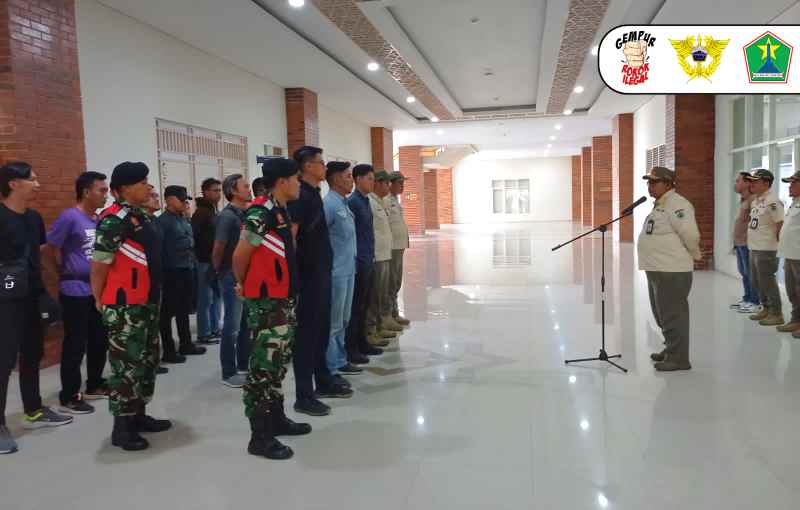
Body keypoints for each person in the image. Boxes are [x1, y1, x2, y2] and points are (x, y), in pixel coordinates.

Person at [233, 157, 310, 460]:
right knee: (263, 368)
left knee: (277, 363)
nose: (299, 184)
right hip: (267, 303)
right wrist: (243, 283)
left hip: (282, 299)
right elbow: (241, 255)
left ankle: (276, 419)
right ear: (282, 181)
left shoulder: (279, 210)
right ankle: (260, 436)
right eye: (296, 179)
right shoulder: (261, 212)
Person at [91, 162, 171, 451]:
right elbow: (99, 264)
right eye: (142, 182)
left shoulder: (141, 217)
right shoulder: (113, 221)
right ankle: (122, 428)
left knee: (147, 360)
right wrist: (98, 297)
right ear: (123, 189)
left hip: (146, 302)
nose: (149, 186)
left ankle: (139, 415)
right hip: (124, 306)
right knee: (126, 366)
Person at [0, 162, 73, 454]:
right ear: (13, 183)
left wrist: (44, 293)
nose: (38, 184)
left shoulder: (33, 218)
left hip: (31, 296)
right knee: (3, 362)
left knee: (33, 354)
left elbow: (36, 257)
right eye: (32, 179)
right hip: (4, 301)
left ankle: (34, 410)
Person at [289, 146, 352, 416]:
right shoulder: (300, 196)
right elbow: (291, 239)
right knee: (306, 336)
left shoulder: (313, 194)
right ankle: (304, 395)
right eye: (319, 162)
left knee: (322, 329)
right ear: (306, 166)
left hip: (322, 273)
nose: (324, 166)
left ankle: (323, 379)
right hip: (308, 277)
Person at [41, 171, 110, 416]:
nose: (106, 194)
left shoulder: (99, 218)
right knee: (75, 344)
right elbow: (47, 249)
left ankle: (94, 384)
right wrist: (58, 273)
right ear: (86, 192)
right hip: (75, 291)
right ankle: (69, 396)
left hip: (97, 291)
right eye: (101, 190)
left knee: (99, 339)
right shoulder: (70, 217)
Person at [638, 167, 701, 372]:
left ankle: (679, 358)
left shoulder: (678, 204)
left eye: (654, 182)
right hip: (658, 269)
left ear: (668, 184)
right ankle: (671, 349)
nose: (650, 186)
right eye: (648, 182)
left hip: (672, 270)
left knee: (674, 314)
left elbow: (690, 235)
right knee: (662, 314)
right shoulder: (660, 205)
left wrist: (696, 255)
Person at [157, 185, 205, 363]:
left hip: (186, 267)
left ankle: (186, 344)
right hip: (172, 271)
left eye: (186, 199)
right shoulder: (163, 222)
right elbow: (160, 249)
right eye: (181, 199)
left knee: (184, 309)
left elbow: (191, 241)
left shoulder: (183, 218)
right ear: (169, 200)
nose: (185, 202)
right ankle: (168, 350)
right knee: (167, 313)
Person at [323, 161, 361, 382]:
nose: (351, 180)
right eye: (347, 176)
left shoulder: (343, 203)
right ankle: (332, 365)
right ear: (336, 179)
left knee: (344, 319)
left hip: (348, 269)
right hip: (336, 272)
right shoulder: (328, 204)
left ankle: (340, 358)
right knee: (334, 321)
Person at [213, 174, 252, 387]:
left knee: (246, 323)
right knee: (232, 324)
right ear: (234, 191)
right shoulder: (227, 217)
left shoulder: (246, 213)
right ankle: (228, 372)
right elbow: (218, 247)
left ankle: (244, 365)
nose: (249, 189)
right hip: (230, 274)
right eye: (245, 186)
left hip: (245, 274)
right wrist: (218, 270)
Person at [345, 164, 383, 365]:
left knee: (364, 305)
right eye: (369, 178)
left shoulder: (364, 201)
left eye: (373, 178)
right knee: (355, 307)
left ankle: (362, 342)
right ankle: (352, 348)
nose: (372, 182)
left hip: (368, 258)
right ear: (358, 179)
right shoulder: (353, 203)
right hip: (358, 261)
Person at [745, 169, 785, 326]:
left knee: (767, 281)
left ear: (766, 183)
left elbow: (780, 223)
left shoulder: (773, 202)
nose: (752, 184)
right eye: (751, 181)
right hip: (754, 247)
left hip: (767, 248)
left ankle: (776, 313)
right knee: (757, 281)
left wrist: (776, 246)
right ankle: (766, 308)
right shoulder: (756, 201)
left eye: (756, 181)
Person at [367, 171, 401, 346]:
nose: (388, 186)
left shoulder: (379, 201)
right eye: (386, 183)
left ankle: (381, 324)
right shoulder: (371, 202)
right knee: (376, 293)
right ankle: (372, 329)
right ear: (378, 184)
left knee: (382, 291)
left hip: (385, 252)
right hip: (377, 255)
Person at [192, 177, 222, 345]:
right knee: (205, 299)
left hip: (214, 261)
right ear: (205, 192)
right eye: (215, 190)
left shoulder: (213, 210)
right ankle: (204, 333)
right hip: (204, 260)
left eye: (219, 190)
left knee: (216, 297)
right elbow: (194, 237)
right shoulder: (201, 213)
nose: (218, 193)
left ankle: (215, 328)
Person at [730, 172, 760, 314]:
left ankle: (755, 301)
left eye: (738, 181)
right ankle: (747, 298)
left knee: (751, 273)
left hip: (748, 243)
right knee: (744, 273)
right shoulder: (744, 200)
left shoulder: (753, 200)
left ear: (747, 183)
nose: (735, 184)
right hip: (740, 242)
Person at [386, 172, 411, 326]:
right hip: (391, 248)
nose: (402, 186)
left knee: (396, 281)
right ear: (390, 184)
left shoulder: (395, 200)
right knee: (391, 281)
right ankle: (388, 315)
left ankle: (394, 313)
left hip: (399, 247)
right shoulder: (386, 201)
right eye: (399, 183)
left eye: (403, 183)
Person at [778, 171, 800, 334]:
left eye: (794, 183)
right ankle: (796, 320)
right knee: (792, 291)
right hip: (790, 254)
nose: (790, 186)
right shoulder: (794, 203)